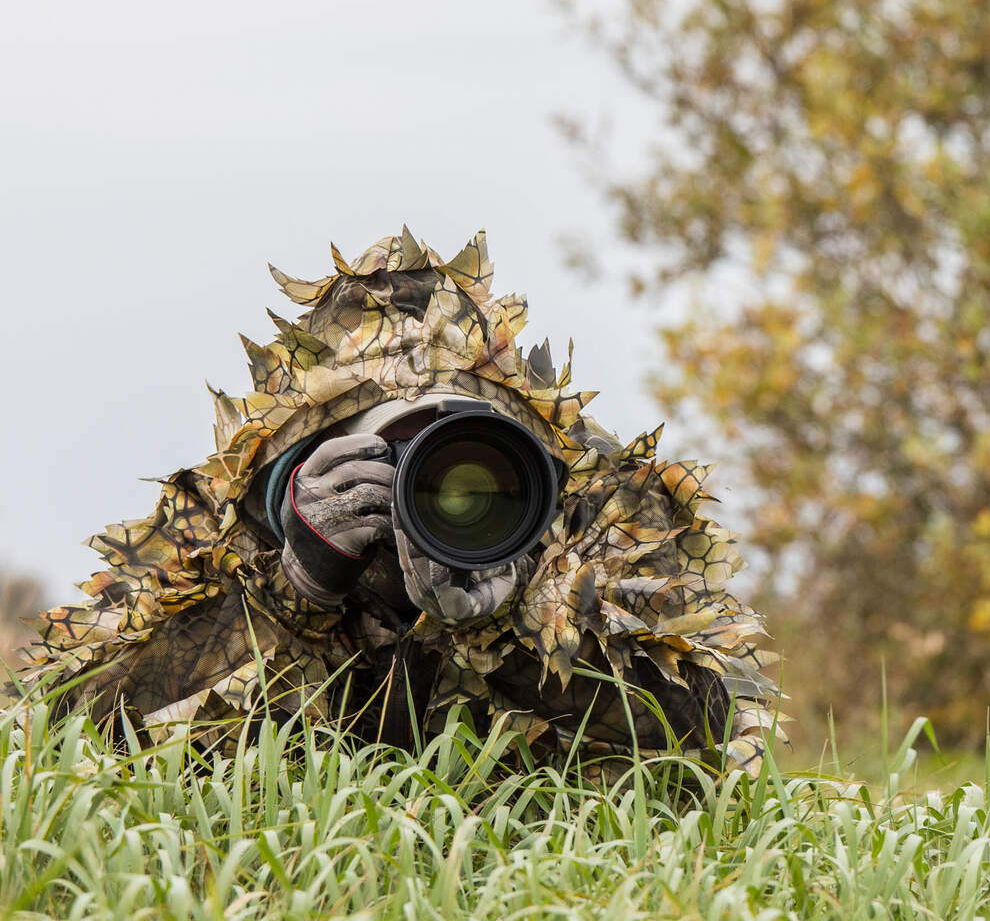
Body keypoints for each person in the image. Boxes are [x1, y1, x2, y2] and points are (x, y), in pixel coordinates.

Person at [7, 230, 778, 770]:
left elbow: (704, 737)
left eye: (467, 462)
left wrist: (509, 630)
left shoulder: (578, 549)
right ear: (315, 457)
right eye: (395, 450)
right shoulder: (229, 548)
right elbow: (62, 737)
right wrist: (295, 588)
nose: (433, 484)